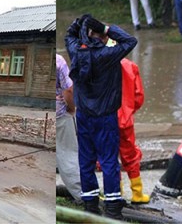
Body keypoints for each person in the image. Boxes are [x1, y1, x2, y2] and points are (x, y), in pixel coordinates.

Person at [65, 14, 138, 219]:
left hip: (84, 116)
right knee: (108, 162)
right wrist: (106, 28)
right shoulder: (108, 54)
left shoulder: (75, 52)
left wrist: (79, 25)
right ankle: (113, 208)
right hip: (106, 117)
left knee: (86, 160)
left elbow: (69, 35)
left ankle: (90, 206)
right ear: (99, 35)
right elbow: (131, 40)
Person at [118, 58, 149, 204]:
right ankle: (137, 193)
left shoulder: (99, 60)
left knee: (107, 155)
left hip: (105, 118)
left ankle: (115, 192)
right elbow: (138, 97)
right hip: (125, 120)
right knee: (130, 155)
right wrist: (129, 111)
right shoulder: (130, 65)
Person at [56, 54, 82, 203]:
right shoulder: (59, 60)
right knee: (68, 155)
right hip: (61, 115)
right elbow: (69, 91)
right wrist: (72, 109)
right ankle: (81, 195)